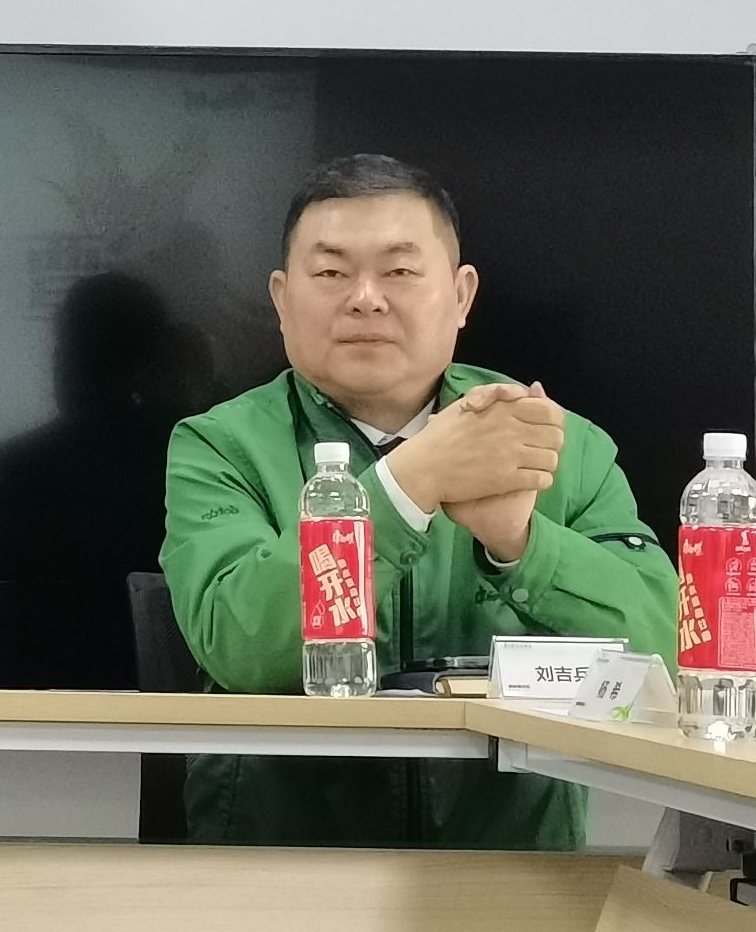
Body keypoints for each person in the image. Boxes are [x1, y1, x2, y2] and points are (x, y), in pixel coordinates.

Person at [160, 153, 677, 849]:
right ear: (281, 299)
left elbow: (672, 651)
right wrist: (408, 484)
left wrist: (524, 545)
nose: (365, 298)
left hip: (514, 869)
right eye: (331, 273)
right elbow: (240, 645)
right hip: (282, 864)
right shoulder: (220, 445)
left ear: (461, 296)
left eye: (399, 271)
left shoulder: (551, 442)